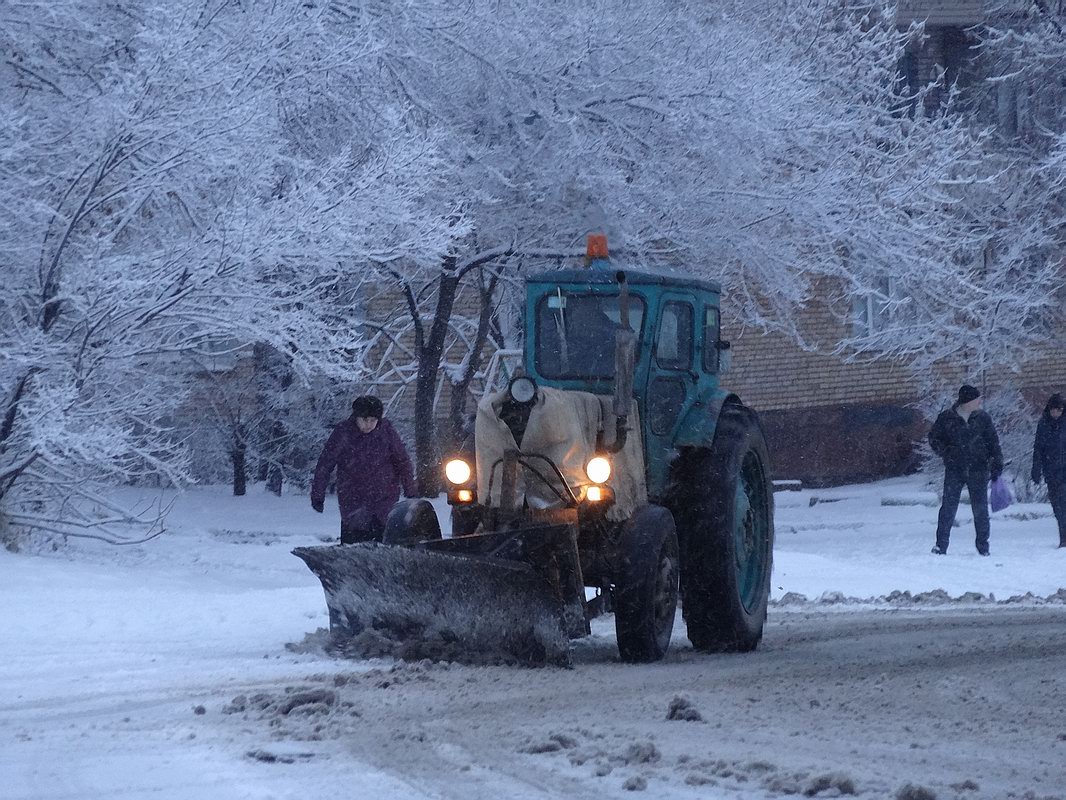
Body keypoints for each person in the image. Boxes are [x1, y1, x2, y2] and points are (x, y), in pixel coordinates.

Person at [310, 395, 416, 543]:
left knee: (383, 545)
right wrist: (317, 495)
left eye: (373, 420)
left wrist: (410, 488)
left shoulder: (386, 431)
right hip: (353, 500)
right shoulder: (343, 432)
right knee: (354, 544)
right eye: (365, 420)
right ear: (356, 417)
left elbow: (402, 461)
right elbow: (325, 464)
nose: (369, 424)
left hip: (384, 499)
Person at [928, 384, 1003, 556]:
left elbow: (993, 442)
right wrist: (946, 452)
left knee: (980, 509)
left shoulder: (983, 418)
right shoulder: (947, 418)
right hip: (955, 468)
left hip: (978, 469)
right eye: (976, 399)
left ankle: (983, 546)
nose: (979, 401)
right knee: (948, 507)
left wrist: (997, 463)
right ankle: (941, 545)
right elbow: (934, 438)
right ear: (967, 401)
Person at [1031, 393, 1066, 548]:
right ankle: (1063, 537)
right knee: (1058, 506)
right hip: (1051, 472)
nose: (1056, 413)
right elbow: (1038, 448)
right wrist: (1036, 470)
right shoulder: (1044, 424)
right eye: (1054, 410)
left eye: (1059, 410)